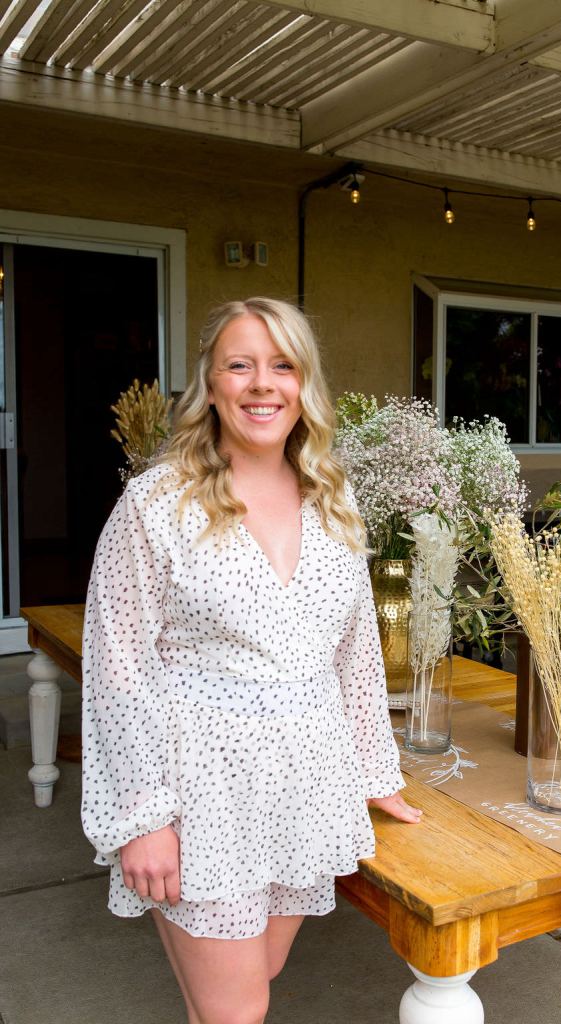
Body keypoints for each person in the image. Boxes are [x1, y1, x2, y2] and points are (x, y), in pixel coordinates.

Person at [81, 297, 421, 1024]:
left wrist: (372, 771)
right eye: (239, 365)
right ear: (210, 382)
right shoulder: (154, 503)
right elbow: (118, 667)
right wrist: (143, 816)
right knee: (238, 1010)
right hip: (199, 787)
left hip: (306, 786)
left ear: (304, 385)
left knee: (253, 977)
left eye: (281, 366)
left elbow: (355, 650)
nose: (261, 384)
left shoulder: (334, 500)